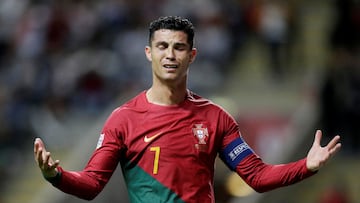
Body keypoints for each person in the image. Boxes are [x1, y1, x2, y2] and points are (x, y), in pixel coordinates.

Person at [34, 16, 341, 203]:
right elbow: (91, 185)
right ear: (148, 53)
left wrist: (307, 166)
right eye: (162, 47)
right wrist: (55, 175)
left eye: (178, 47)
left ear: (192, 55)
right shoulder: (123, 119)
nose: (170, 55)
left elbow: (257, 176)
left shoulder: (216, 118)